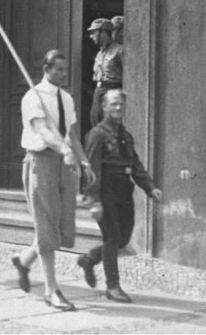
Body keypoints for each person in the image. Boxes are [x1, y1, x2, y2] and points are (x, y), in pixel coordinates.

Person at [10, 49, 94, 311]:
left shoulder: (66, 98)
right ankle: (51, 290)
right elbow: (43, 131)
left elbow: (72, 133)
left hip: (64, 164)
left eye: (65, 69)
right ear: (46, 69)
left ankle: (23, 261)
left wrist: (84, 161)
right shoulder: (32, 97)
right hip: (41, 162)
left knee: (60, 228)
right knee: (46, 227)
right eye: (58, 69)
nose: (64, 73)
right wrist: (64, 150)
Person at [77, 89, 162, 303]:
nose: (118, 108)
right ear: (104, 106)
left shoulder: (125, 135)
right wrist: (94, 201)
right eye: (113, 104)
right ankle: (112, 286)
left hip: (124, 189)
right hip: (105, 189)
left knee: (123, 238)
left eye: (121, 104)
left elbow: (135, 164)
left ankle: (90, 260)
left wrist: (150, 187)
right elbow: (91, 169)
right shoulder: (97, 134)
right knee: (112, 237)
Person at [88, 18, 123, 128]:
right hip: (98, 93)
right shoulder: (99, 53)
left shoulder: (120, 51)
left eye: (94, 33)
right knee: (96, 123)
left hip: (112, 92)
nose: (91, 36)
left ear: (103, 33)